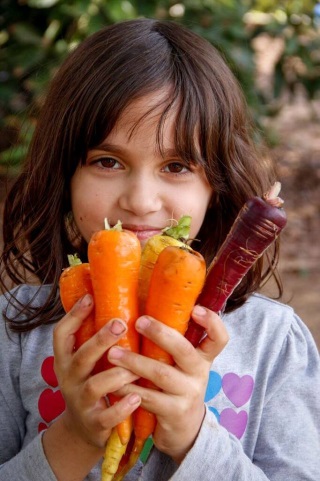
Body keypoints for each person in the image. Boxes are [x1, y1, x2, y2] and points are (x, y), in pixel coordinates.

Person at [0, 18, 319, 481]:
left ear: (218, 184)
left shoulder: (271, 342)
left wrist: (194, 437)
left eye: (176, 165)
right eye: (107, 162)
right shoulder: (14, 335)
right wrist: (74, 437)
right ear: (65, 174)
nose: (141, 201)